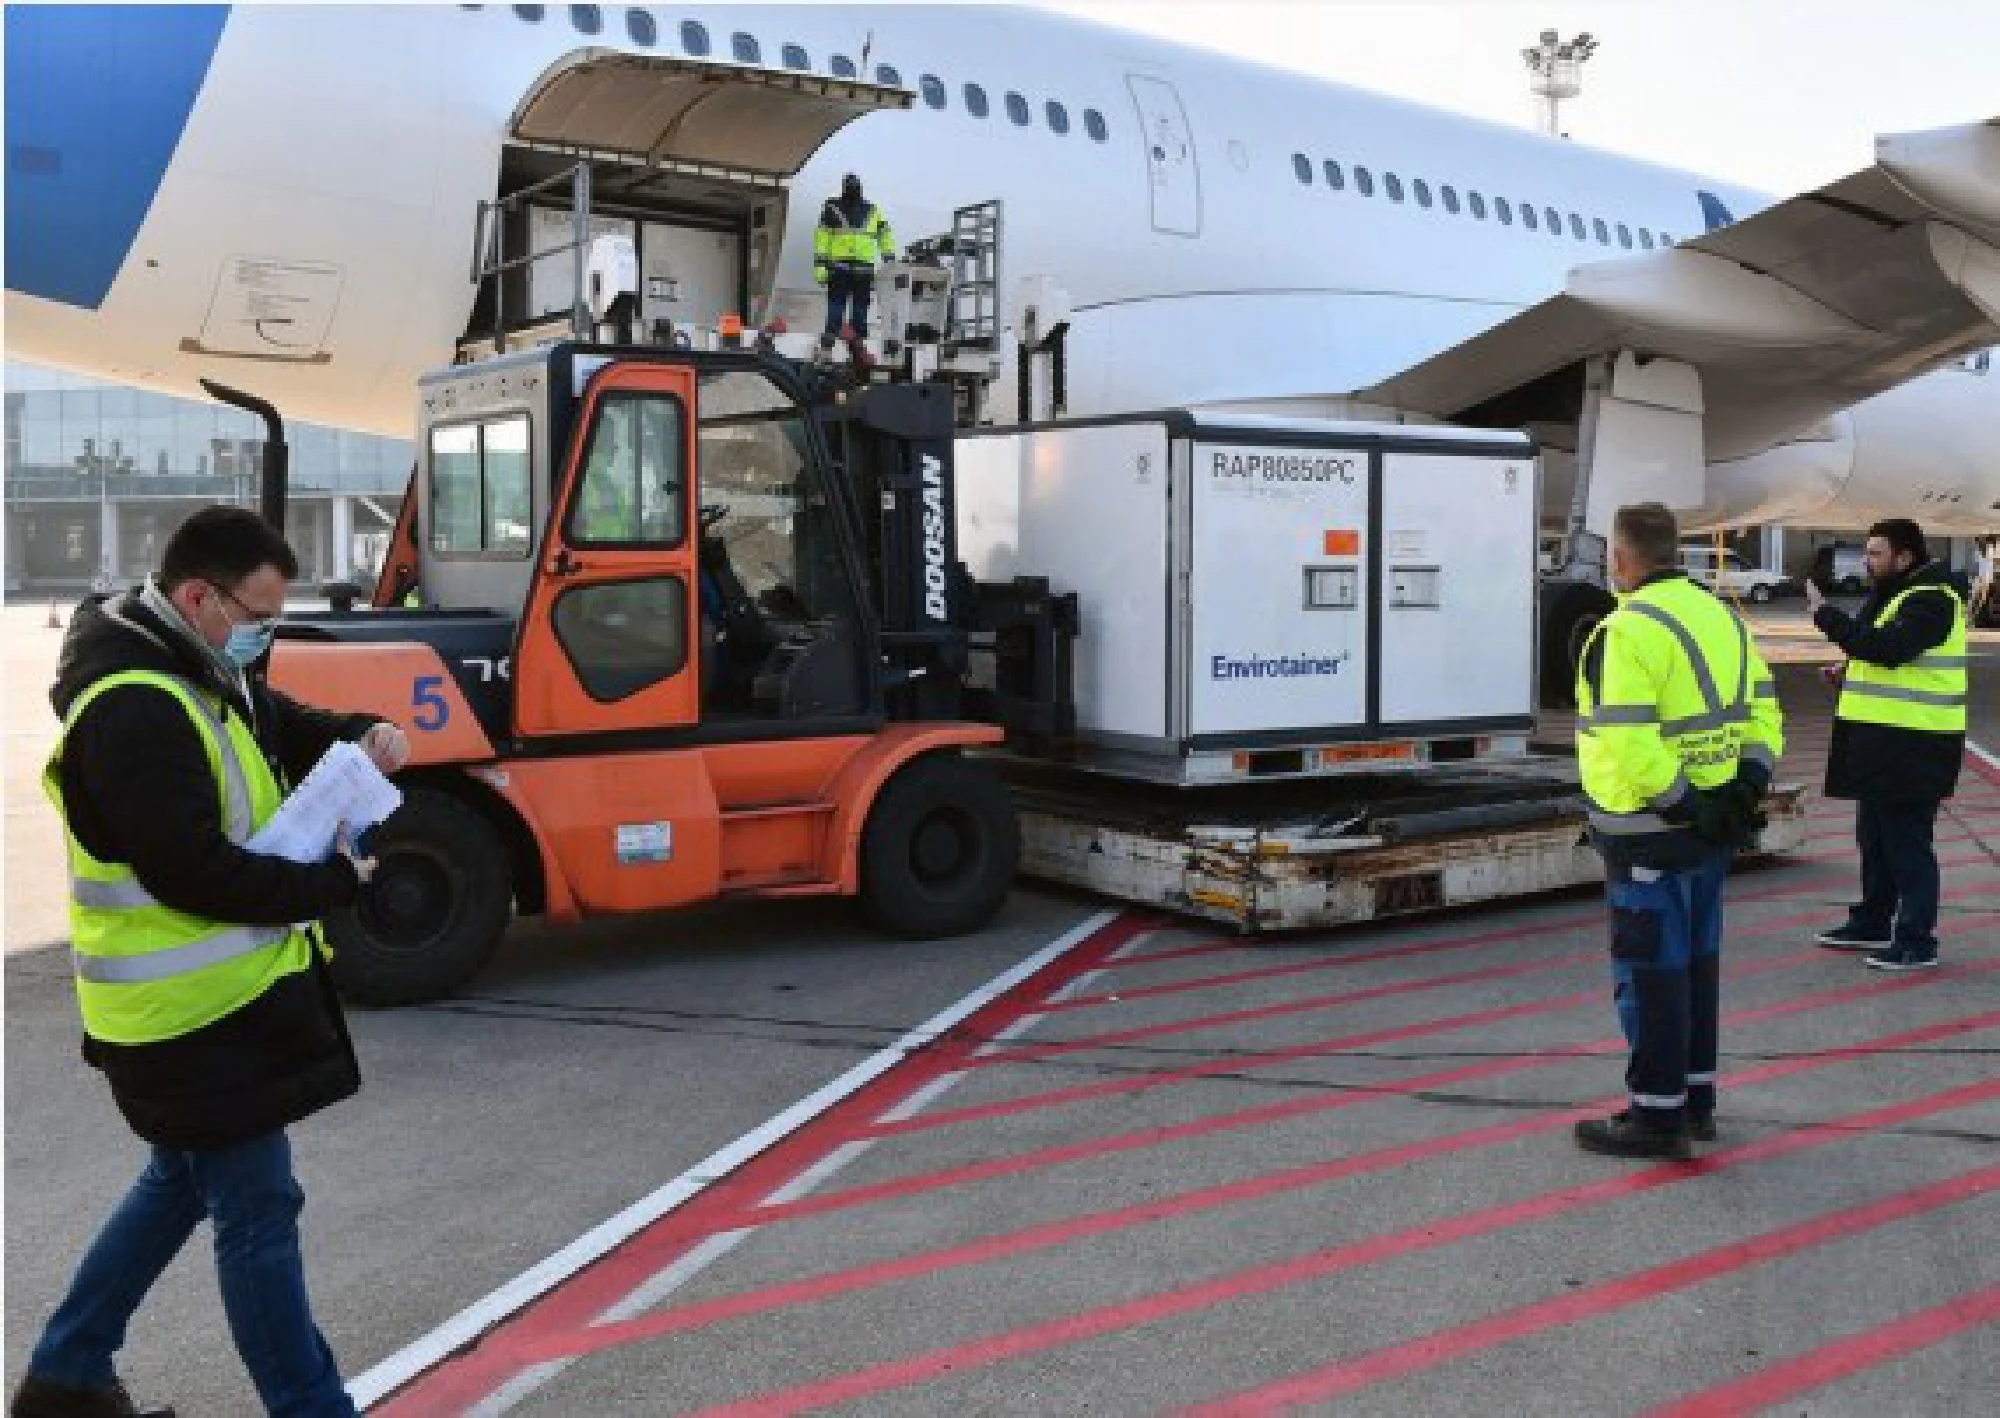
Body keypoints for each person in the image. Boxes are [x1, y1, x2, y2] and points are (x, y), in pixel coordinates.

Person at [14, 507, 410, 1418]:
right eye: (259, 614)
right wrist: (334, 888)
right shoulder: (135, 709)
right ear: (200, 597)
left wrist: (361, 730)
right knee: (258, 1216)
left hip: (207, 1008)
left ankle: (66, 1376)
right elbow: (194, 874)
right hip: (189, 1019)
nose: (265, 634)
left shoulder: (190, 662)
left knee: (176, 1188)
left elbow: (273, 715)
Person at [1572, 503, 1785, 1160]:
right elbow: (1763, 713)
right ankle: (1695, 1103)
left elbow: (1633, 743)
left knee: (1649, 973)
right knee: (1697, 966)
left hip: (1650, 833)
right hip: (1710, 832)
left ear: (1622, 558)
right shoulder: (1721, 616)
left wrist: (1685, 802)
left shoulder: (1624, 631)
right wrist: (1743, 788)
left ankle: (1655, 1119)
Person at [1805, 518, 1966, 971]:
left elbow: (1890, 648)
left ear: (1905, 557)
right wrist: (1849, 673)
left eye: (1876, 553)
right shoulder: (1895, 595)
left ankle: (1917, 940)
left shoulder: (1932, 599)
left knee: (1907, 845)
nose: (1866, 562)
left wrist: (1826, 616)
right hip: (1883, 743)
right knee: (1874, 840)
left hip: (1916, 745)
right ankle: (1873, 921)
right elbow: (1881, 655)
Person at [812, 173, 895, 350]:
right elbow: (885, 234)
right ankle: (857, 340)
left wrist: (820, 265)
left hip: (839, 268)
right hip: (862, 269)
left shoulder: (832, 208)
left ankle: (832, 337)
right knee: (859, 306)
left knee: (837, 303)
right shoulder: (872, 210)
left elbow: (822, 239)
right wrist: (889, 259)